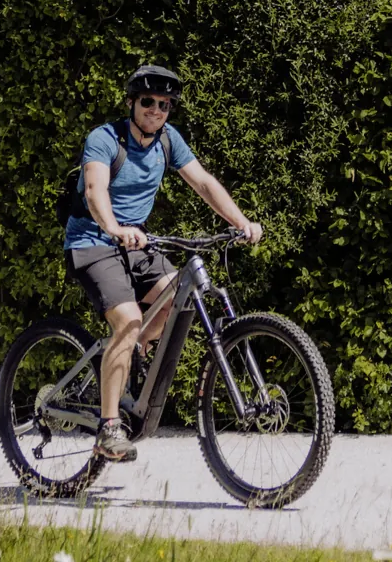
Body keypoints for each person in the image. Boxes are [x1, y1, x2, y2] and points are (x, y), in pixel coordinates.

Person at [62, 64, 262, 463]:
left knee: (177, 298)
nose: (157, 110)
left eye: (165, 104)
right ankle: (109, 428)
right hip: (93, 241)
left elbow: (202, 181)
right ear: (133, 102)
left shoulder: (168, 140)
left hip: (137, 241)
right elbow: (95, 189)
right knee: (129, 319)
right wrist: (115, 227)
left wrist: (240, 221)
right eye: (149, 102)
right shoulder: (105, 138)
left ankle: (130, 350)